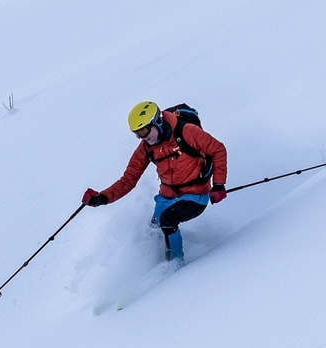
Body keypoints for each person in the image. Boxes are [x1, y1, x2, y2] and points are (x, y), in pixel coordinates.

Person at [83, 101, 228, 264]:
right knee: (154, 230)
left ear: (157, 121)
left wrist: (218, 185)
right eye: (138, 134)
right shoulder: (146, 147)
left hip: (195, 194)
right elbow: (129, 179)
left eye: (144, 131)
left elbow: (218, 149)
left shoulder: (186, 131)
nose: (143, 137)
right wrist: (102, 198)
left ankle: (175, 267)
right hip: (166, 197)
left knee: (168, 220)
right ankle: (159, 262)